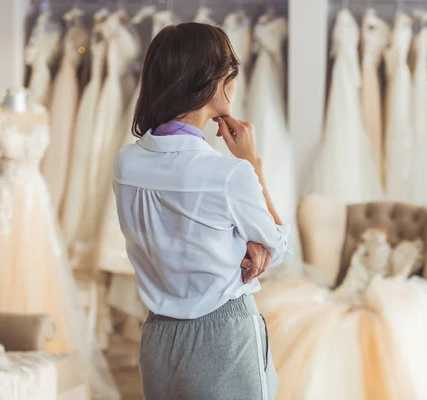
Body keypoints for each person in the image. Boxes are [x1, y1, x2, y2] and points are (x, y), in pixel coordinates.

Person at [113, 22, 293, 400]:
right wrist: (253, 163)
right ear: (217, 80)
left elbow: (179, 234)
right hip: (223, 337)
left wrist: (240, 241)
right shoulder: (228, 173)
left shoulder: (125, 164)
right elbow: (279, 245)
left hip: (157, 339)